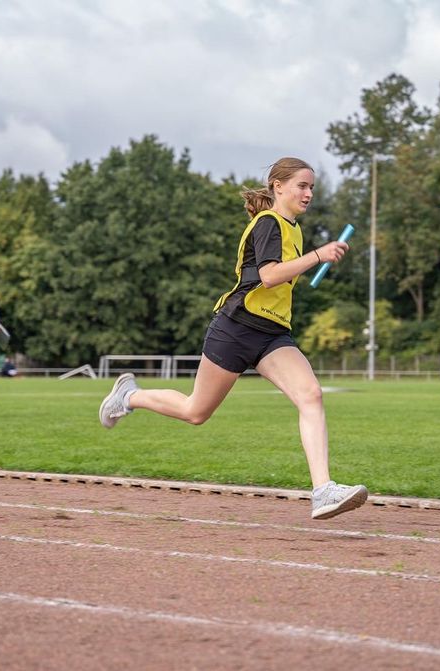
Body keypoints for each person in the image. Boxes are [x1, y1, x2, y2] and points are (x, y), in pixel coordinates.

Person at [99, 157, 368, 520]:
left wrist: (312, 256)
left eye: (312, 188)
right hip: (237, 328)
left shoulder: (294, 229)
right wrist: (317, 256)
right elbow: (270, 276)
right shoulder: (268, 223)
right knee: (196, 412)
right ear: (278, 185)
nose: (308, 193)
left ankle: (322, 491)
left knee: (311, 395)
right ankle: (129, 396)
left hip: (273, 334)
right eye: (302, 186)